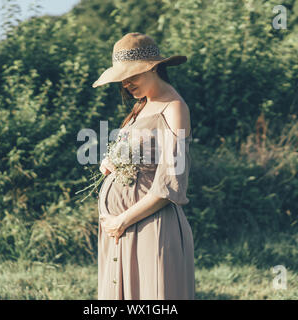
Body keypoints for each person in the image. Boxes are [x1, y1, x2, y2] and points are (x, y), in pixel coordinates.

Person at [92, 32, 194, 300]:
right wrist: (112, 161)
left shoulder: (174, 108)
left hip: (149, 226)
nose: (126, 84)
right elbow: (142, 155)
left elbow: (171, 181)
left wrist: (121, 221)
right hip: (123, 229)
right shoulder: (141, 106)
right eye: (122, 79)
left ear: (153, 67)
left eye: (132, 76)